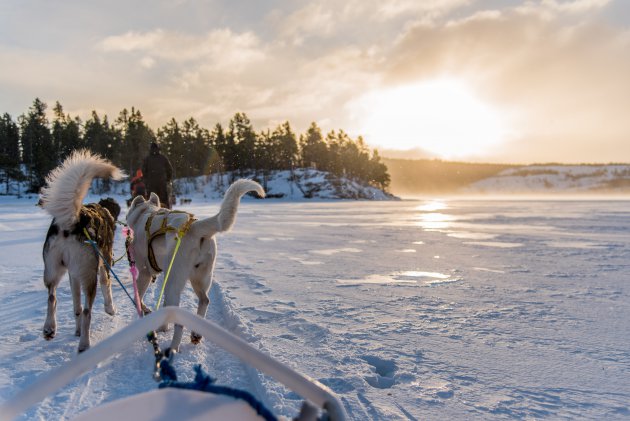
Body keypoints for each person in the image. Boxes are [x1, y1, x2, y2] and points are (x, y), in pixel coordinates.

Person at [142, 142, 173, 209]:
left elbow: (144, 171)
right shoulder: (163, 158)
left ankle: (152, 215)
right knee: (164, 201)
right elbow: (169, 169)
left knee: (152, 203)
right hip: (162, 183)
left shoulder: (147, 159)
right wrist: (168, 179)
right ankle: (166, 214)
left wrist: (146, 181)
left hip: (151, 185)